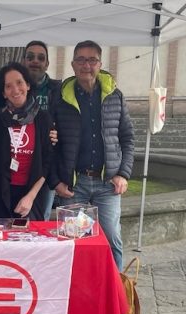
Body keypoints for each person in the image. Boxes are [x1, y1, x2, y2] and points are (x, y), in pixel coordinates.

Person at [52, 40, 135, 272]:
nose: (86, 65)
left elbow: (128, 138)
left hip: (107, 184)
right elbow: (50, 146)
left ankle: (117, 294)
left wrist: (123, 173)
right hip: (73, 185)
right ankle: (77, 293)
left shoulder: (115, 96)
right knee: (73, 243)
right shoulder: (60, 98)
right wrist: (56, 181)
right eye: (80, 59)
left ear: (100, 64)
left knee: (111, 240)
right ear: (72, 64)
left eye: (91, 60)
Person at [0, 63, 52, 220]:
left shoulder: (42, 118)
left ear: (27, 85)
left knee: (29, 243)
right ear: (4, 93)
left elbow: (47, 162)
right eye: (8, 86)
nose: (15, 90)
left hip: (30, 196)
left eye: (19, 82)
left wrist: (31, 196)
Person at [22, 40, 62, 221]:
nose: (35, 61)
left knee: (41, 219)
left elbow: (69, 120)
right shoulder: (15, 86)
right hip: (19, 160)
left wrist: (58, 133)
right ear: (24, 61)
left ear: (47, 63)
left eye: (40, 58)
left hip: (46, 163)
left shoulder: (59, 89)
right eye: (30, 57)